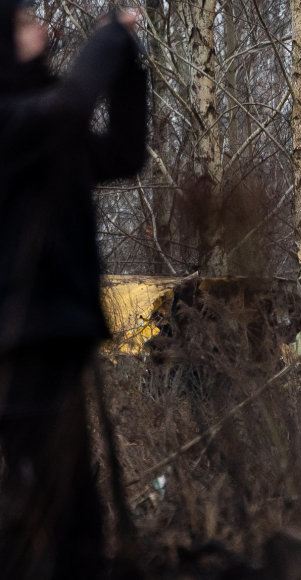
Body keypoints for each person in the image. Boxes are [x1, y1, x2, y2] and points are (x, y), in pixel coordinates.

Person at [0, 1, 147, 577]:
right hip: (19, 342)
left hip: (58, 332)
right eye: (22, 23)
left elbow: (124, 154)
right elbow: (68, 108)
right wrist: (110, 38)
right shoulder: (12, 121)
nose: (42, 28)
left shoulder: (43, 124)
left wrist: (131, 68)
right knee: (42, 501)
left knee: (77, 507)